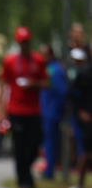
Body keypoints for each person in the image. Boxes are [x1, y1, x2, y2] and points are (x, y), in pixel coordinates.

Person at [0, 26, 47, 188]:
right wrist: (2, 110)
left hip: (33, 110)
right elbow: (3, 84)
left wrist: (33, 84)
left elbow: (46, 83)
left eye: (26, 42)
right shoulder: (10, 61)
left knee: (34, 144)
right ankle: (23, 181)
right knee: (19, 146)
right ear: (18, 43)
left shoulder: (38, 60)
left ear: (29, 42)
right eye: (21, 42)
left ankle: (27, 173)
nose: (24, 45)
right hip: (16, 109)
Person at [38, 44, 67, 180]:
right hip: (46, 110)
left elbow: (62, 92)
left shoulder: (54, 70)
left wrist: (59, 110)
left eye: (43, 54)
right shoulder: (47, 69)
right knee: (48, 142)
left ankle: (49, 171)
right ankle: (48, 168)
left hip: (51, 112)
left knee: (51, 142)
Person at [67, 51, 92, 188]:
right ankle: (79, 185)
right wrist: (80, 111)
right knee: (86, 153)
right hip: (88, 119)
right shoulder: (84, 73)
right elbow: (72, 94)